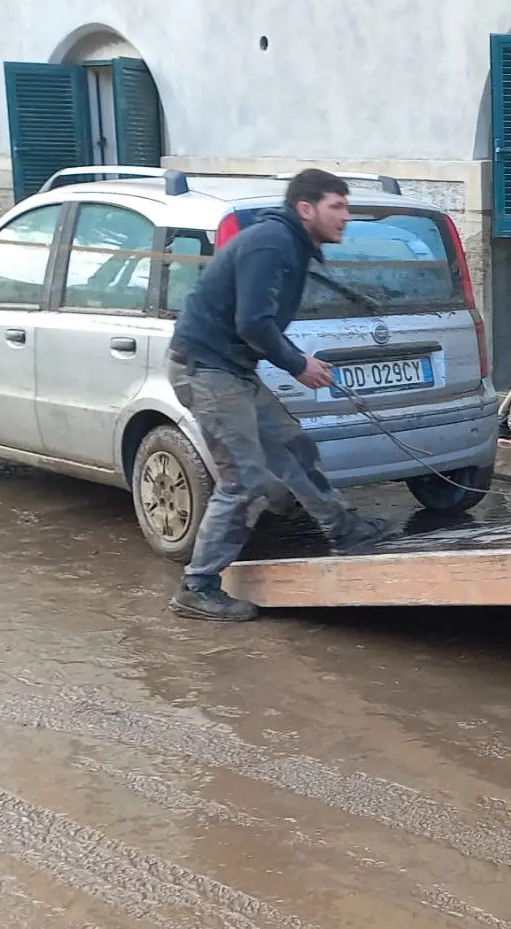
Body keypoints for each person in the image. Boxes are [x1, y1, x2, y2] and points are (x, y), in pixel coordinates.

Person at [166, 168, 394, 622]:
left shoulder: (291, 243)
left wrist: (294, 358)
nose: (346, 217)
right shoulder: (272, 243)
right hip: (206, 370)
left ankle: (345, 530)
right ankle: (199, 586)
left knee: (292, 445)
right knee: (244, 481)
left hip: (233, 368)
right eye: (337, 207)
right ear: (305, 208)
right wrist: (298, 364)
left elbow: (255, 322)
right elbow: (253, 321)